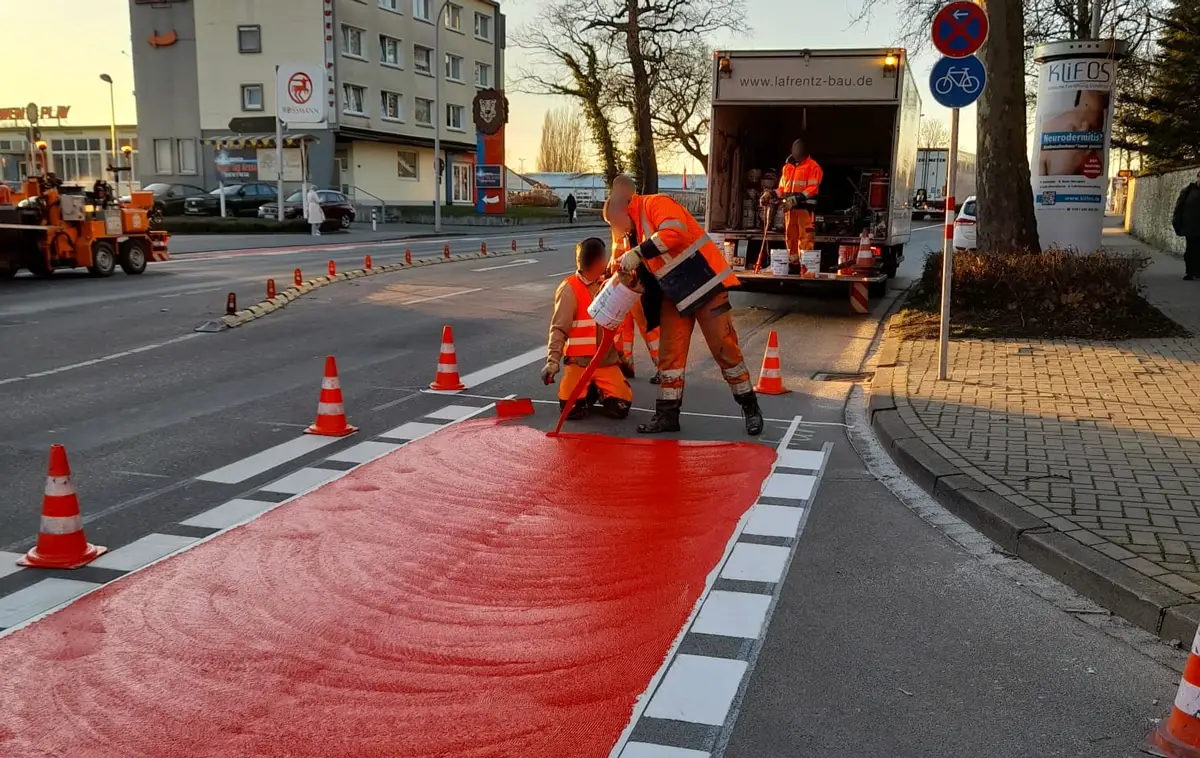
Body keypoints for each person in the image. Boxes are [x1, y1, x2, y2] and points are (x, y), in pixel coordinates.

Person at [605, 175, 764, 436]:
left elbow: (674, 234)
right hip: (675, 295)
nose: (619, 230)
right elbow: (652, 269)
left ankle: (750, 407)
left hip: (706, 285)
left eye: (616, 223)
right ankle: (667, 415)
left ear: (623, 207)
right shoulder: (636, 232)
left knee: (725, 349)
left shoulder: (656, 204)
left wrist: (638, 253)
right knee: (670, 357)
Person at [541, 237, 634, 421]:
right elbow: (559, 329)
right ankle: (586, 391)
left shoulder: (606, 286)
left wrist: (622, 359)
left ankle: (596, 390)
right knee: (571, 410)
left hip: (605, 362)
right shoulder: (569, 289)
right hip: (579, 364)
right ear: (600, 262)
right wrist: (552, 362)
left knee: (620, 407)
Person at [609, 225, 662, 384]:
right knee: (625, 328)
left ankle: (662, 366)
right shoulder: (620, 231)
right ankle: (627, 364)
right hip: (627, 286)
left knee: (647, 328)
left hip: (635, 286)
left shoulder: (632, 231)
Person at [765, 138, 823, 264]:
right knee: (791, 238)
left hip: (805, 210)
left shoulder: (813, 167)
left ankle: (806, 267)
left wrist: (798, 198)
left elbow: (813, 189)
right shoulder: (787, 168)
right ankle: (792, 264)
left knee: (805, 239)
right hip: (790, 209)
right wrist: (771, 194)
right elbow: (782, 188)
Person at [1174, 169, 1200, 281]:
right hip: (1191, 227)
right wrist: (1177, 223)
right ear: (1198, 177)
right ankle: (1190, 272)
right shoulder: (1188, 191)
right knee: (1191, 250)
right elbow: (1179, 208)